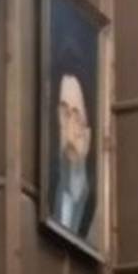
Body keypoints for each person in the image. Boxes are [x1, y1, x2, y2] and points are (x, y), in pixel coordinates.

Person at [49, 68, 95, 239]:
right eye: (64, 114)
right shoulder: (49, 194)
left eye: (77, 117)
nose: (69, 130)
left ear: (88, 135)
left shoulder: (96, 207)